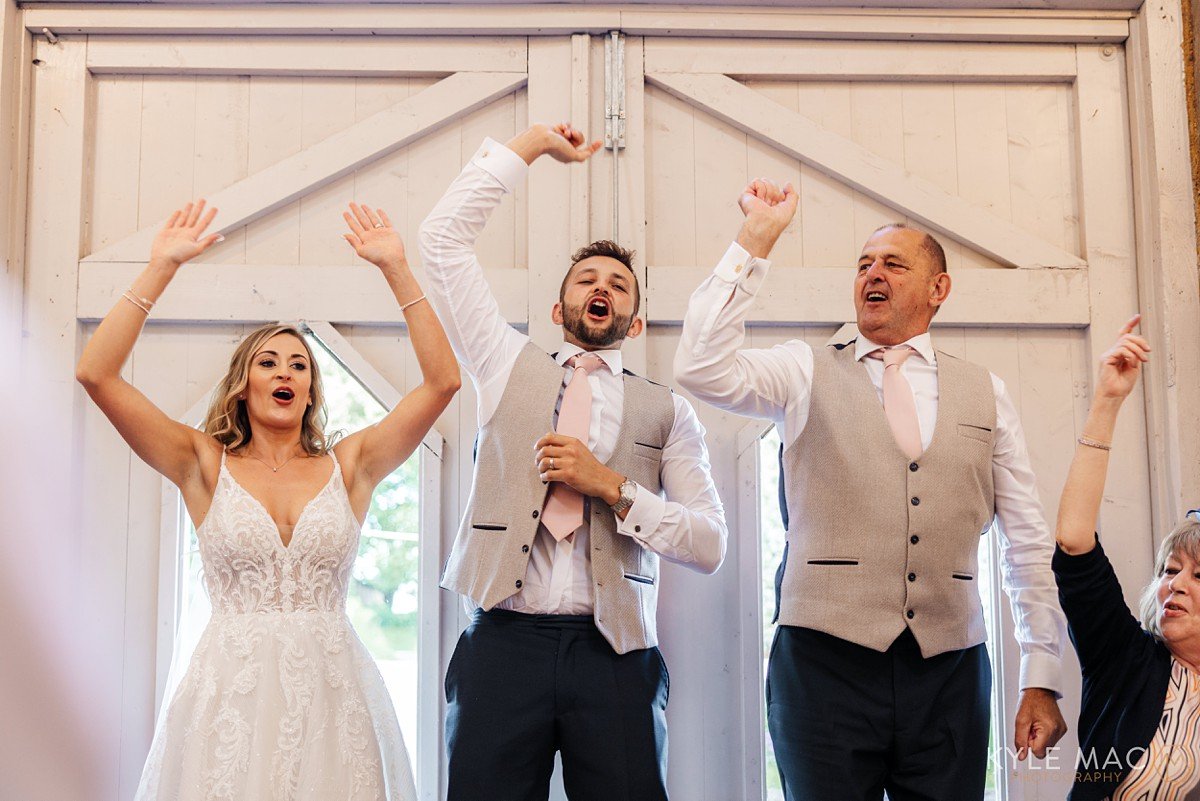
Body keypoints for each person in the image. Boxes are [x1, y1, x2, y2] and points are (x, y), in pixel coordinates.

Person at [673, 180, 1070, 800]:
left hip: (951, 670)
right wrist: (756, 238)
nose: (871, 275)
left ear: (938, 289)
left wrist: (1041, 671)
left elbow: (1025, 541)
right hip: (823, 668)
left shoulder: (985, 393)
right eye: (863, 265)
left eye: (892, 263)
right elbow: (699, 367)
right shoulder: (804, 370)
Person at [75, 199, 460, 800]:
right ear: (243, 383)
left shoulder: (350, 465)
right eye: (269, 361)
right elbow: (97, 374)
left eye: (299, 365)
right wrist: (161, 268)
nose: (286, 372)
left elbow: (443, 383)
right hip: (230, 694)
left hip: (334, 698)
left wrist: (396, 268)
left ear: (309, 390)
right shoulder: (202, 464)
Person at [419, 122, 727, 801]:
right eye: (587, 278)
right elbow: (441, 242)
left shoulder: (669, 412)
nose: (602, 287)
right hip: (502, 642)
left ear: (634, 322)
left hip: (615, 651)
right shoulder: (502, 365)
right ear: (559, 307)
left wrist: (614, 488)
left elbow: (709, 544)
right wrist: (527, 145)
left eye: (619, 284)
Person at [1052, 316, 1200, 800]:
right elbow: (1075, 541)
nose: (1175, 584)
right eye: (1170, 570)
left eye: (1198, 575)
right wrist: (1107, 401)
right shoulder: (1124, 660)